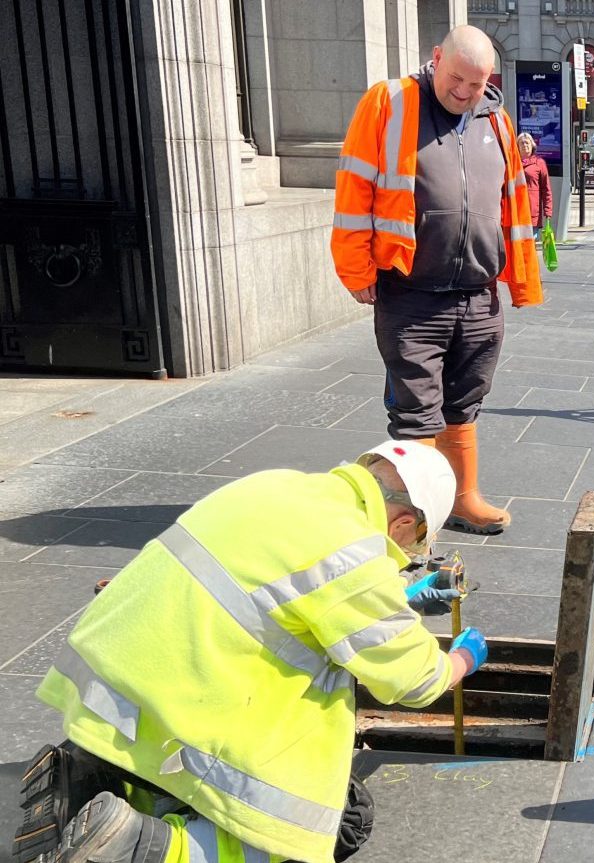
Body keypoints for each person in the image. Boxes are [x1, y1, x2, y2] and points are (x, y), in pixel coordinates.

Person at [13, 442, 491, 863]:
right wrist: (463, 657)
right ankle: (135, 845)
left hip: (112, 692)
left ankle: (96, 780)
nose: (403, 554)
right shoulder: (353, 555)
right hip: (176, 719)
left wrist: (400, 594)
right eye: (411, 545)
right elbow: (414, 681)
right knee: (318, 827)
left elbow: (280, 589)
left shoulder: (275, 485)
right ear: (404, 521)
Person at [332, 25, 543, 537]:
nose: (465, 93)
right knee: (415, 412)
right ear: (436, 58)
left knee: (465, 402)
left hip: (477, 294)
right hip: (411, 293)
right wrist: (356, 269)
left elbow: (512, 203)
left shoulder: (495, 120)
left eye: (478, 84)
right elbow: (355, 186)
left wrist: (518, 280)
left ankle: (463, 498)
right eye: (457, 79)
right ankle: (411, 516)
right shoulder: (391, 102)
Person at [518, 132, 552, 239]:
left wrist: (548, 212)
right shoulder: (513, 163)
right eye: (521, 143)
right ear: (517, 147)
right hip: (516, 210)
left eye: (527, 143)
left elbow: (546, 189)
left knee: (530, 245)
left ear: (532, 145)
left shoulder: (539, 163)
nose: (525, 145)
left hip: (532, 212)